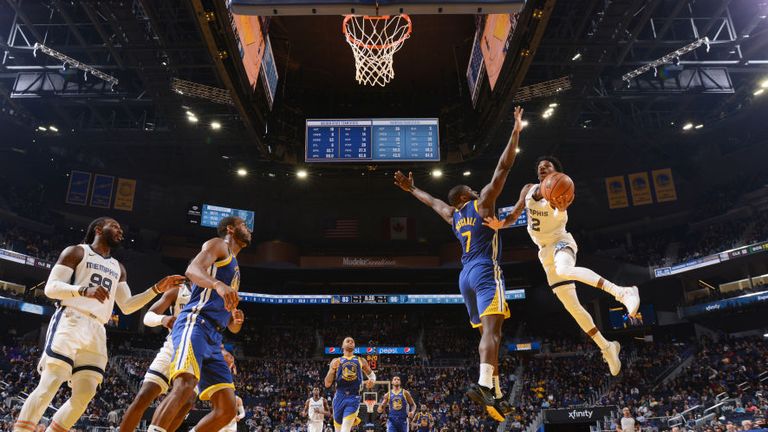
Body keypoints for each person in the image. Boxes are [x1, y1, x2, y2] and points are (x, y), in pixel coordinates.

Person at [393, 106, 525, 421]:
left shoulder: (453, 215)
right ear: (467, 194)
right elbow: (503, 167)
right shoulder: (481, 204)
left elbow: (432, 202)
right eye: (473, 190)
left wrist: (411, 188)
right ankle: (483, 384)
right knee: (492, 333)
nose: (478, 190)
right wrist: (516, 130)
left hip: (464, 276)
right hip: (483, 270)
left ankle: (495, 392)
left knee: (491, 334)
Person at [13, 217, 184, 432]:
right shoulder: (76, 252)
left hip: (97, 330)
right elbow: (51, 288)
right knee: (49, 384)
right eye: (115, 226)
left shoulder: (118, 267)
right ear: (97, 229)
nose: (120, 231)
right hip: (71, 319)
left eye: (121, 229)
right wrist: (83, 290)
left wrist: (156, 289)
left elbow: (128, 306)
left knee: (85, 394)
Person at [483, 156, 640, 375]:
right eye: (539, 167)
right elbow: (517, 212)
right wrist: (501, 224)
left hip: (561, 242)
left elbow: (559, 212)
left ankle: (622, 291)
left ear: (557, 171)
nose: (542, 169)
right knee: (572, 307)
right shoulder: (528, 189)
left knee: (565, 270)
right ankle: (607, 346)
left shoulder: (562, 188)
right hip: (544, 251)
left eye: (547, 166)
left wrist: (560, 209)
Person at [147, 216, 250, 432]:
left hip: (215, 336)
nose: (249, 229)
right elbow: (192, 270)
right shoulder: (218, 245)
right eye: (243, 225)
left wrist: (235, 320)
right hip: (196, 323)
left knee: (228, 409)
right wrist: (217, 284)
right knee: (185, 385)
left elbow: (233, 328)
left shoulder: (236, 266)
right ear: (230, 229)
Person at [119, 282, 195, 431]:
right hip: (173, 346)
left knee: (187, 402)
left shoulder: (214, 294)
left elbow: (226, 326)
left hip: (197, 351)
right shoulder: (177, 291)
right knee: (144, 395)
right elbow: (148, 317)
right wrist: (163, 319)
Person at [324, 337, 375, 432]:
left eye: (353, 341)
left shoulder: (361, 360)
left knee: (345, 429)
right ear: (343, 346)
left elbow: (372, 375)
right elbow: (327, 384)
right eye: (348, 341)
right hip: (339, 397)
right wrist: (332, 370)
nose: (351, 342)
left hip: (353, 398)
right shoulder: (336, 360)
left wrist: (372, 380)